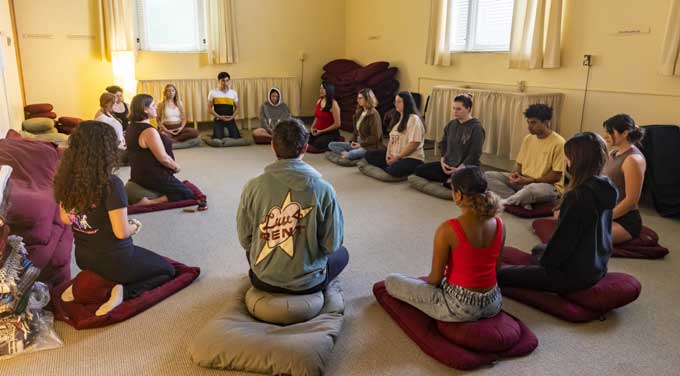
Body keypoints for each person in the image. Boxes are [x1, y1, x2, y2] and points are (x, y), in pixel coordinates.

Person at [54, 121, 176, 316]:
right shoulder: (111, 184)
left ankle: (91, 285)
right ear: (105, 151)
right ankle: (122, 291)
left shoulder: (64, 179)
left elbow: (65, 218)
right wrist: (134, 226)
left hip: (83, 259)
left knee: (142, 260)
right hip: (115, 261)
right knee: (167, 270)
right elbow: (121, 232)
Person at [237, 119, 348, 294]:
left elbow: (245, 240)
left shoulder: (252, 186)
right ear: (305, 148)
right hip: (309, 284)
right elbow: (331, 245)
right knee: (343, 253)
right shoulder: (325, 189)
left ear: (272, 146)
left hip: (263, 280)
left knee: (251, 251)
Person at [498, 132, 617, 293]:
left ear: (577, 160)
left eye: (568, 157)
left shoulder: (578, 197)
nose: (567, 162)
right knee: (538, 250)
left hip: (573, 275)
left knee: (500, 274)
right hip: (597, 266)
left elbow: (563, 243)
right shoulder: (607, 186)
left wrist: (545, 265)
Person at [384, 167, 504, 322]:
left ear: (458, 195)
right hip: (493, 303)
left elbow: (435, 279)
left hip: (459, 306)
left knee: (391, 280)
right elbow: (497, 268)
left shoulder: (448, 229)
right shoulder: (500, 224)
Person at [125, 94, 204, 208]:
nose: (156, 107)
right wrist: (176, 167)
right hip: (152, 175)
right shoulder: (148, 131)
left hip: (138, 174)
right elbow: (164, 159)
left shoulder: (131, 127)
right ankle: (149, 202)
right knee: (187, 193)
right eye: (153, 105)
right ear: (145, 109)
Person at [485, 104, 565, 208]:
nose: (529, 126)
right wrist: (516, 175)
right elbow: (520, 164)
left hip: (547, 186)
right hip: (524, 182)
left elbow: (556, 176)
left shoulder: (559, 143)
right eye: (528, 122)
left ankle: (506, 202)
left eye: (534, 123)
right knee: (487, 176)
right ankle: (520, 200)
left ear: (546, 123)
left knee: (531, 190)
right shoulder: (528, 138)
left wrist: (531, 181)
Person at [414, 94, 484, 187]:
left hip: (466, 168)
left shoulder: (476, 128)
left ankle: (453, 180)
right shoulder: (451, 124)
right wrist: (443, 161)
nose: (455, 112)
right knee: (419, 170)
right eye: (454, 108)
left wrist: (459, 168)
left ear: (468, 109)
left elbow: (475, 153)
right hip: (448, 165)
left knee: (465, 182)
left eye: (459, 109)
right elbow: (443, 144)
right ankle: (450, 180)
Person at [602, 114, 647, 244]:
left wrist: (605, 218)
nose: (605, 136)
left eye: (610, 132)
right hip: (607, 210)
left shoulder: (633, 160)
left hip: (625, 220)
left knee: (585, 239)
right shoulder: (613, 153)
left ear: (625, 133)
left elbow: (631, 200)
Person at [364, 92, 425, 177]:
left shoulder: (414, 119)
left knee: (394, 170)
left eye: (399, 102)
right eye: (395, 102)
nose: (396, 104)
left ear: (407, 103)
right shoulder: (397, 118)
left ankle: (392, 167)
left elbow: (414, 143)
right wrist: (388, 155)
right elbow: (391, 141)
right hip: (395, 156)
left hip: (411, 158)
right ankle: (390, 165)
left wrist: (397, 157)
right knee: (369, 155)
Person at [328, 88, 383, 160]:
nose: (358, 100)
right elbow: (355, 131)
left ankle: (351, 153)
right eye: (358, 98)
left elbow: (375, 137)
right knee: (331, 145)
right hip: (357, 142)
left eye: (360, 98)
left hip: (369, 146)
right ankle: (346, 153)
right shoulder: (359, 112)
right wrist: (352, 142)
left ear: (368, 99)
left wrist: (360, 145)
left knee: (352, 154)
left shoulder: (374, 115)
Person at [308, 81, 341, 151]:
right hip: (318, 131)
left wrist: (322, 131)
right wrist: (312, 128)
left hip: (330, 132)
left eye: (323, 89)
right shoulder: (319, 101)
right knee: (304, 138)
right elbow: (316, 117)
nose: (321, 90)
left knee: (318, 144)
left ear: (329, 90)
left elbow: (337, 124)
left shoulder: (334, 104)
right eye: (320, 88)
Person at [208, 72, 241, 140]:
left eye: (227, 80)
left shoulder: (233, 93)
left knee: (236, 137)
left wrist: (232, 117)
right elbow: (209, 109)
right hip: (219, 119)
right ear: (219, 81)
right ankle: (222, 131)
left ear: (229, 81)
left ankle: (227, 132)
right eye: (223, 81)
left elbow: (237, 108)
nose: (225, 83)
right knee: (218, 137)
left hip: (230, 119)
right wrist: (219, 117)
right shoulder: (212, 92)